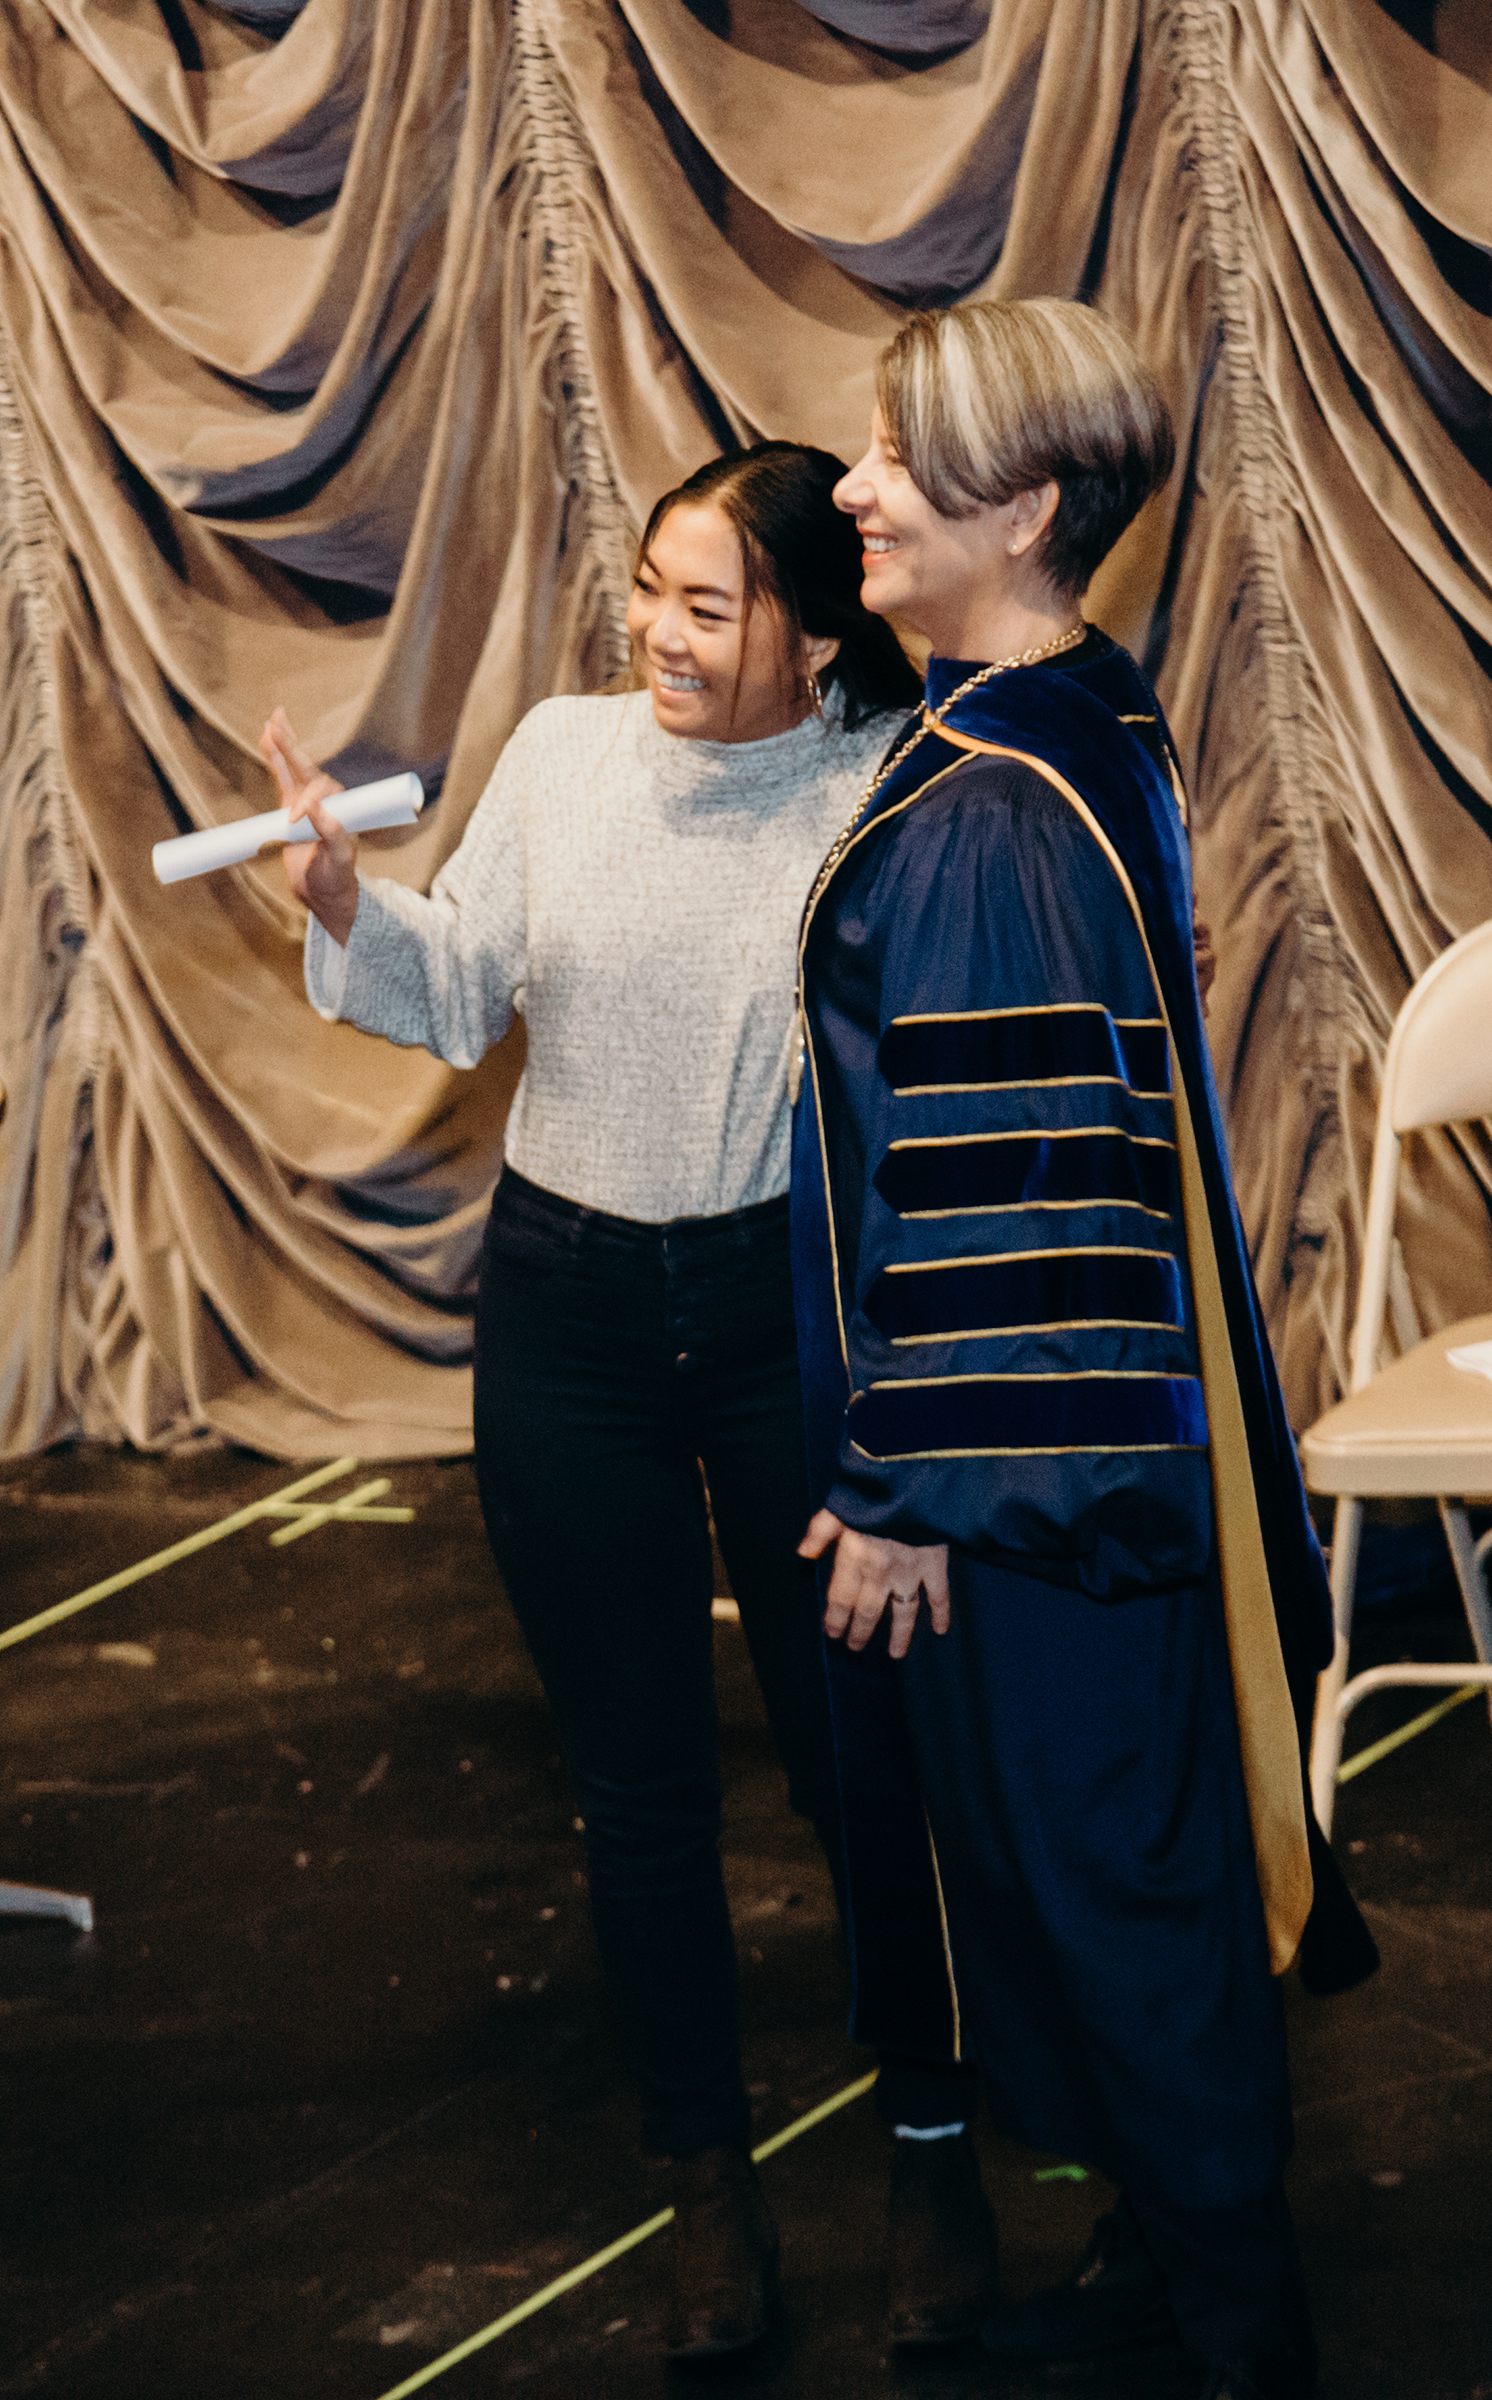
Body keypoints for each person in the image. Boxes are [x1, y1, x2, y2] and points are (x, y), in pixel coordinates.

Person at [260, 445, 996, 2358]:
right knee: (640, 1787)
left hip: (782, 1323)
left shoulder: (883, 794)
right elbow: (455, 986)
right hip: (572, 1314)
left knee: (860, 1772)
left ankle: (934, 2146)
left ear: (819, 639)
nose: (657, 633)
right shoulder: (565, 757)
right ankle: (707, 2186)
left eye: (707, 601)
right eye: (650, 589)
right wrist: (351, 901)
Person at [792, 298, 1376, 2400]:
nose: (844, 487)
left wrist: (904, 1494)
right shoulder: (1072, 720)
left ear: (1021, 506)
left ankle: (1234, 2335)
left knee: (1106, 1888)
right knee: (1135, 1859)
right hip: (1123, 1452)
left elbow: (1010, 1186)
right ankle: (1168, 2264)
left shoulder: (982, 823)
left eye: (888, 455)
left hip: (1040, 1498)